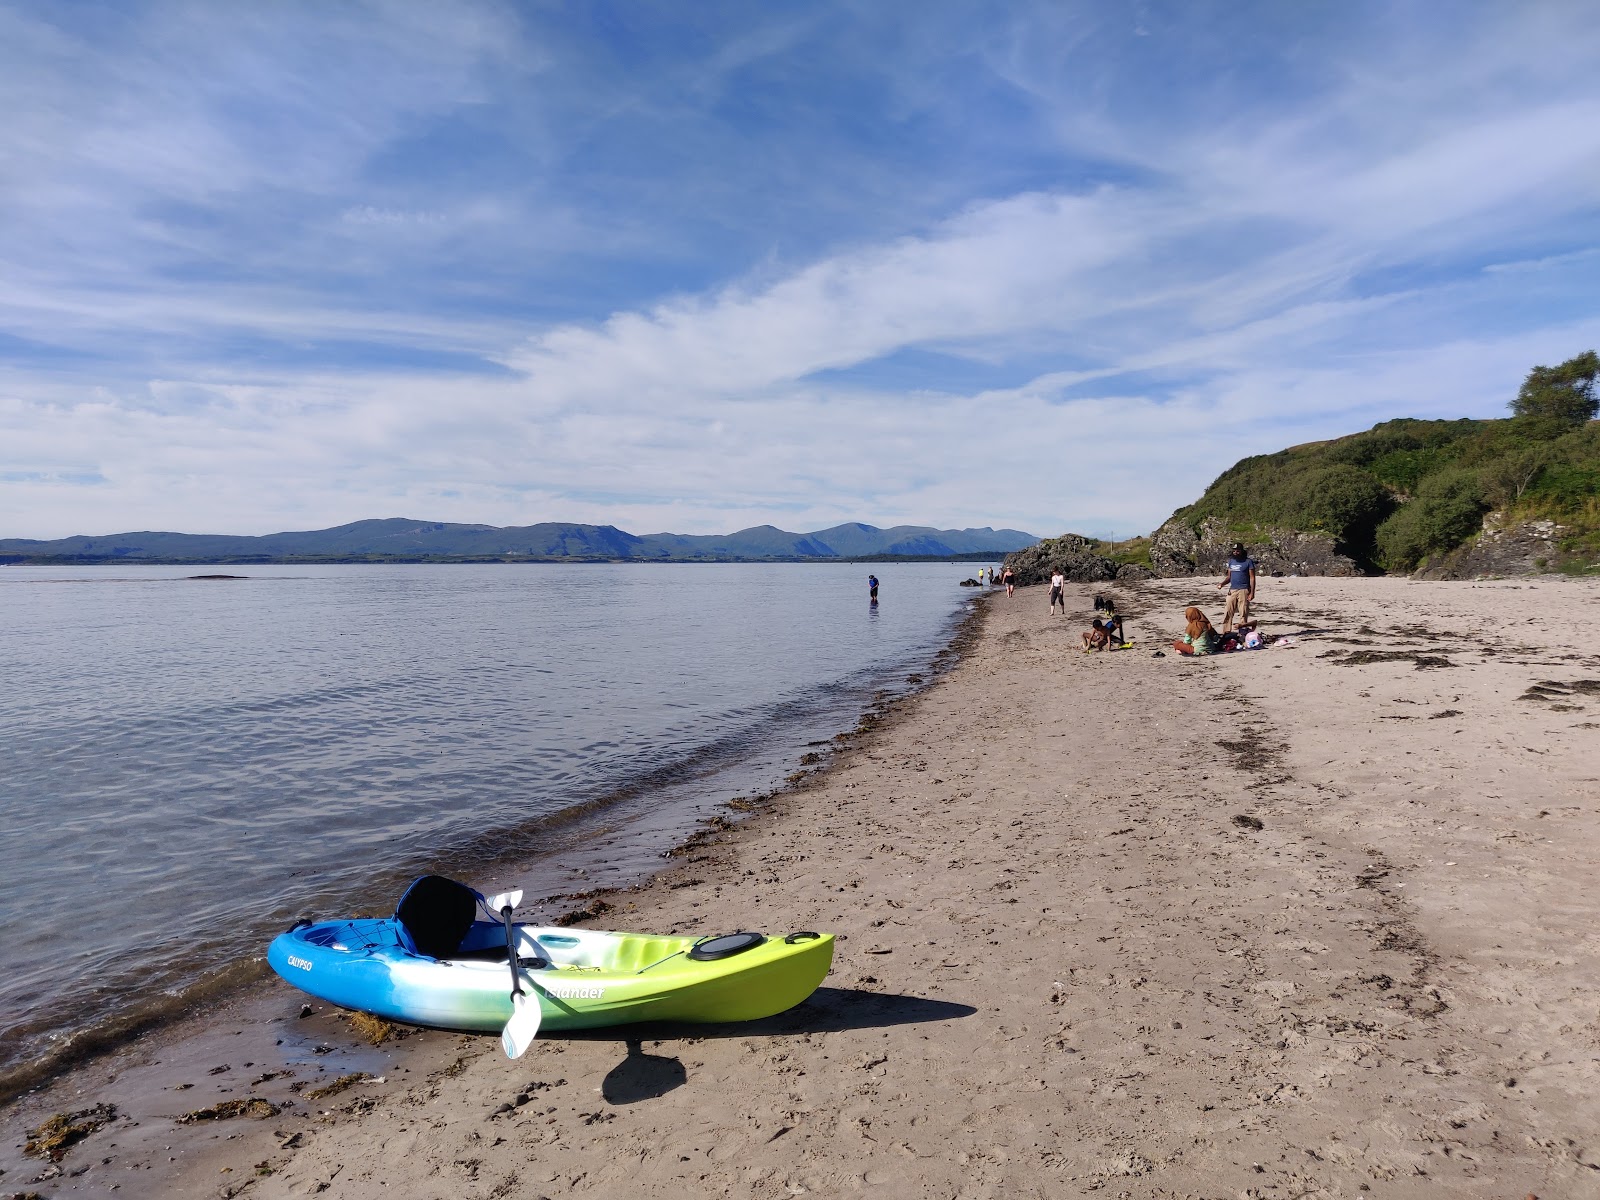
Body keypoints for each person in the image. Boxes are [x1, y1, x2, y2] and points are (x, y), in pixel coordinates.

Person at [1216, 542, 1257, 632]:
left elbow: (1252, 578)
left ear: (1242, 551)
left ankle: (1243, 632)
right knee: (1228, 612)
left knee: (1243, 612)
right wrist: (1222, 584)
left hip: (1244, 590)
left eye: (1237, 551)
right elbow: (1229, 577)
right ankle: (1226, 632)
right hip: (1232, 590)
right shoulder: (1231, 561)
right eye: (1234, 551)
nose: (1235, 552)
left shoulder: (1248, 562)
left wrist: (1252, 592)